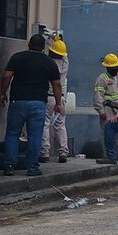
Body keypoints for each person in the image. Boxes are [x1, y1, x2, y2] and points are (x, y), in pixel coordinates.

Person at [0, 34, 64, 177]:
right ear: (43, 48)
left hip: (18, 101)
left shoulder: (17, 57)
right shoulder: (49, 62)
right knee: (35, 135)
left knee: (12, 133)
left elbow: (6, 76)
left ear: (29, 45)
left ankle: (9, 166)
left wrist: (3, 92)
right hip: (38, 103)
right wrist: (59, 103)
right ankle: (32, 168)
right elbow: (57, 84)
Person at [94, 52, 118, 164]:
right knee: (108, 132)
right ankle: (109, 155)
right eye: (111, 67)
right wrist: (101, 110)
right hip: (108, 108)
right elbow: (98, 95)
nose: (114, 69)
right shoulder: (102, 78)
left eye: (116, 67)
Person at [40, 36, 70, 164]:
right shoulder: (65, 63)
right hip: (61, 98)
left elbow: (45, 54)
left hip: (48, 97)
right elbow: (61, 54)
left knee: (45, 125)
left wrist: (50, 40)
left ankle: (44, 153)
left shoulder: (47, 62)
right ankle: (63, 152)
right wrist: (58, 40)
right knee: (60, 126)